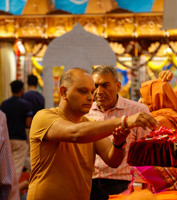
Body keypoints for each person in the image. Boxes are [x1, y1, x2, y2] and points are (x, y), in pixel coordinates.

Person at [26, 68, 157, 200]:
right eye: (83, 91)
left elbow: (112, 161)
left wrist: (118, 144)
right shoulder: (44, 117)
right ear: (64, 92)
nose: (91, 97)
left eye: (91, 92)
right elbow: (76, 133)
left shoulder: (90, 122)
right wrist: (125, 121)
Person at [84, 65, 151, 199]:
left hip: (124, 184)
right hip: (89, 184)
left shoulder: (138, 111)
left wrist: (139, 187)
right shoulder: (85, 112)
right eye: (95, 86)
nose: (99, 91)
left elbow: (145, 153)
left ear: (118, 86)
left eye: (105, 85)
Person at [0, 80, 33, 180]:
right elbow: (28, 123)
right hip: (20, 139)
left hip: (5, 138)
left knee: (5, 166)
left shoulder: (4, 104)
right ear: (22, 90)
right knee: (16, 167)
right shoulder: (26, 105)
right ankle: (12, 191)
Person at [0, 110, 20, 200]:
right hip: (19, 138)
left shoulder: (5, 104)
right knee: (17, 164)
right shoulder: (0, 116)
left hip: (11, 138)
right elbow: (7, 181)